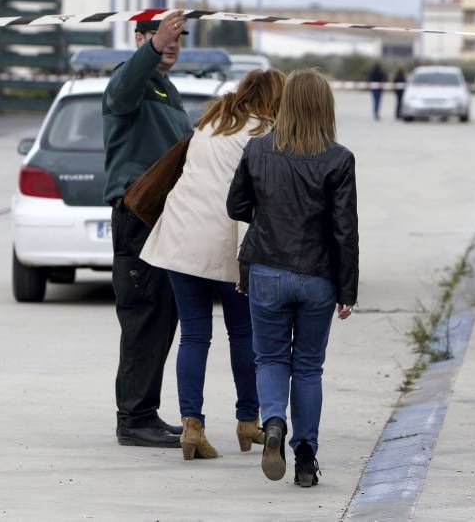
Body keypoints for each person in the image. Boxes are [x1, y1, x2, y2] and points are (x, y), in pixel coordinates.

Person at [140, 69, 287, 460]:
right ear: (274, 99)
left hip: (181, 236)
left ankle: (192, 425)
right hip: (225, 243)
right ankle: (246, 421)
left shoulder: (211, 122)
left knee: (193, 335)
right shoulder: (263, 133)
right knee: (244, 333)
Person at [227, 69, 358, 488]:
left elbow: (236, 205)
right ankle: (305, 455)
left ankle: (273, 424)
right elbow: (345, 232)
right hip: (317, 276)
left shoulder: (257, 150)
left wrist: (269, 214)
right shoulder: (339, 159)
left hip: (265, 269)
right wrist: (348, 290)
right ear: (326, 108)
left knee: (269, 358)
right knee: (308, 367)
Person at [103, 11, 190, 448]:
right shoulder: (130, 79)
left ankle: (145, 412)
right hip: (138, 218)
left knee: (161, 316)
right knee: (143, 316)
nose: (172, 42)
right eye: (161, 36)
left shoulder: (168, 91)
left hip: (163, 219)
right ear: (139, 37)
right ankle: (133, 418)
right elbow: (120, 95)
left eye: (178, 37)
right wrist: (152, 50)